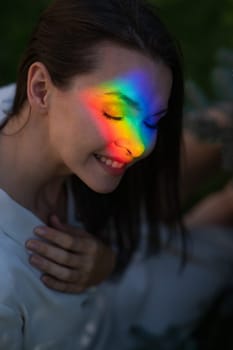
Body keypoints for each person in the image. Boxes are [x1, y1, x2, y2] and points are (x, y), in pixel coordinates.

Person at [0, 0, 184, 348]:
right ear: (40, 88)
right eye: (115, 113)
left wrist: (105, 265)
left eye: (152, 121)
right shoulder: (4, 287)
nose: (138, 146)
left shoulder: (16, 107)